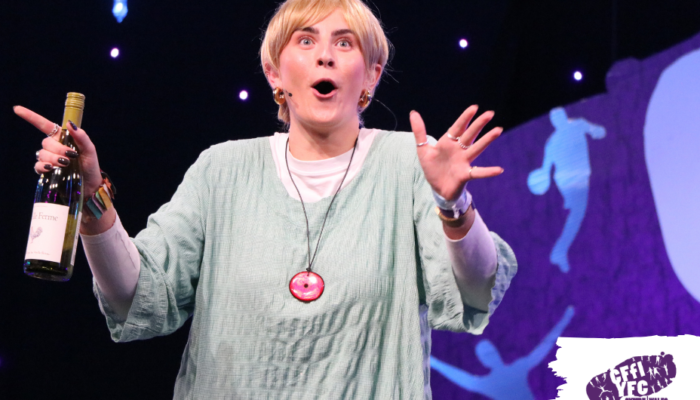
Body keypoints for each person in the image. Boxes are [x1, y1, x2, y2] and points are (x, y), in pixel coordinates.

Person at [15, 0, 517, 398]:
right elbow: (139, 296)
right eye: (306, 40)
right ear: (275, 73)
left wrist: (454, 206)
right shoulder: (221, 170)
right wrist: (91, 199)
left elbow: (475, 289)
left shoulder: (408, 163)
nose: (325, 55)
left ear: (371, 75)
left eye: (344, 43)